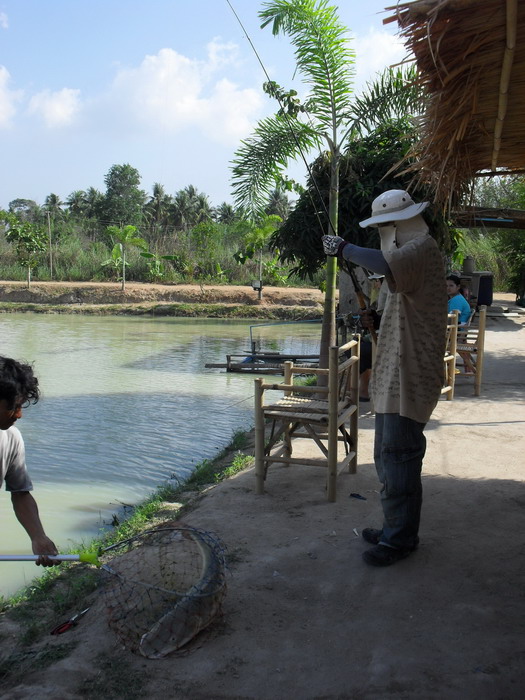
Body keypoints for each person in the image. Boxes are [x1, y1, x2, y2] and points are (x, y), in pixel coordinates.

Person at [323, 189, 447, 567]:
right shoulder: (407, 258)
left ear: (400, 223)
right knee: (388, 459)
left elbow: (384, 263)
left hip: (409, 375)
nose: (385, 233)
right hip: (395, 373)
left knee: (399, 459)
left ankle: (400, 540)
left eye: (386, 226)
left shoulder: (420, 248)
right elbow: (402, 300)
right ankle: (396, 527)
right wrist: (376, 321)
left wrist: (344, 248)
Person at [0, 356, 58, 566]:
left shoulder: (10, 438)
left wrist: (38, 536)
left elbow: (20, 493)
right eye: (15, 406)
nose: (19, 415)